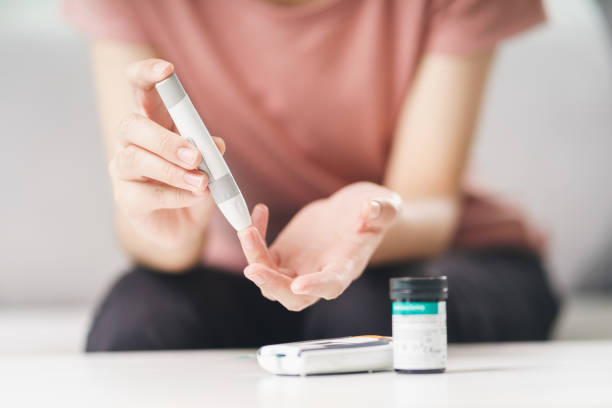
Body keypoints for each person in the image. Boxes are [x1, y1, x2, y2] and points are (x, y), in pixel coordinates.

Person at [64, 0, 559, 351]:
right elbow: (143, 225)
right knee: (138, 321)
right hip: (238, 266)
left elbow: (431, 206)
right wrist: (177, 226)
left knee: (362, 316)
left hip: (430, 254)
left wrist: (363, 217)